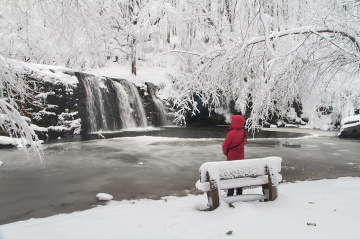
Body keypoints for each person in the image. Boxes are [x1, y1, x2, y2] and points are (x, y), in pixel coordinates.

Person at [222, 115, 247, 196]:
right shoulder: (244, 133)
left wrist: (226, 153)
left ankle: (230, 193)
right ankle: (239, 192)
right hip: (241, 157)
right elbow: (243, 143)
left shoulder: (231, 133)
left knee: (231, 175)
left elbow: (225, 146)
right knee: (239, 175)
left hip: (231, 158)